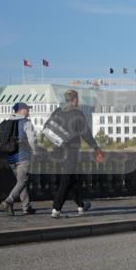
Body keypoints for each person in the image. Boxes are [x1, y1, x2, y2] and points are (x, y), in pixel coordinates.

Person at [45, 90, 104, 218]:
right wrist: (96, 149)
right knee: (66, 180)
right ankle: (56, 209)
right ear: (75, 100)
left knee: (73, 179)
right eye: (78, 99)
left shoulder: (57, 112)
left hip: (57, 151)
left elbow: (47, 128)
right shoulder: (77, 114)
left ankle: (81, 206)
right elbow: (86, 134)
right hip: (71, 151)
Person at [0, 102, 37, 215]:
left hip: (11, 157)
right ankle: (8, 201)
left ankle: (26, 207)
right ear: (21, 110)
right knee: (23, 181)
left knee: (20, 182)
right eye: (27, 109)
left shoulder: (7, 122)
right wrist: (35, 152)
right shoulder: (26, 123)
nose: (29, 111)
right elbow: (32, 140)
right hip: (23, 156)